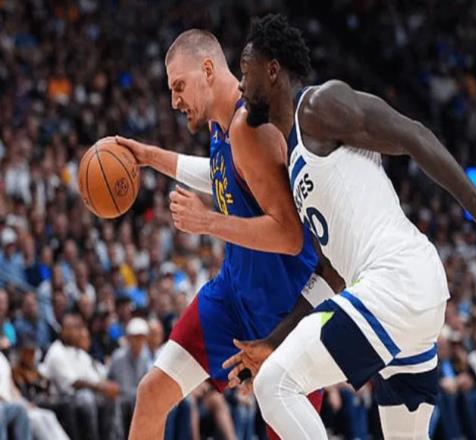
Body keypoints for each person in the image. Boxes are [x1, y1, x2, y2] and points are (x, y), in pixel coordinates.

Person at [194, 13, 476, 440]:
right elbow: (330, 274)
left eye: (245, 71)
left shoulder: (319, 106)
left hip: (396, 279)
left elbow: (413, 135)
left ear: (273, 69)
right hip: (402, 300)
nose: (241, 86)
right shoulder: (294, 164)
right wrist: (272, 342)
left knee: (275, 384)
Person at [114, 28, 338, 440]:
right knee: (152, 392)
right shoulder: (222, 127)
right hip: (233, 294)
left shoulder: (248, 127)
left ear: (207, 70)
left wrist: (208, 222)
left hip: (283, 312)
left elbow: (290, 235)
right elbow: (223, 174)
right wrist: (149, 157)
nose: (174, 101)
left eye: (179, 87)